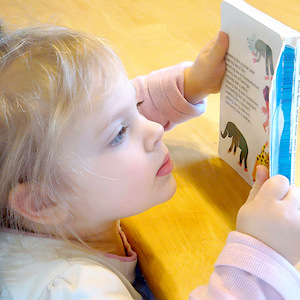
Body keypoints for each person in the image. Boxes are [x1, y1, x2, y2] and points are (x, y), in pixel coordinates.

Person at [0, 21, 299, 300]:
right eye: (119, 134)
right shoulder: (79, 289)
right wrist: (261, 257)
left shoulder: (45, 188)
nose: (155, 130)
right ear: (43, 202)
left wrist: (189, 85)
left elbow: (92, 118)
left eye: (137, 107)